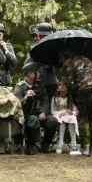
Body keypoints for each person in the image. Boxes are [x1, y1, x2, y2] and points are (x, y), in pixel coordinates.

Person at [58, 53, 92, 156]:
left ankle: (84, 147)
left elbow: (69, 84)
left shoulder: (69, 64)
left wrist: (73, 100)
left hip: (85, 90)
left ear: (65, 58)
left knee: (82, 118)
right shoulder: (86, 58)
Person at [23, 22, 58, 152]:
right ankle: (32, 143)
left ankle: (46, 144)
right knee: (31, 115)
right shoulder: (34, 48)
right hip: (35, 84)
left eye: (41, 36)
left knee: (49, 117)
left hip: (50, 84)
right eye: (40, 36)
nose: (39, 38)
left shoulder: (54, 48)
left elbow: (59, 65)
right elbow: (26, 66)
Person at [14, 61, 57, 155]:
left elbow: (45, 101)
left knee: (52, 121)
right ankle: (33, 145)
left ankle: (45, 145)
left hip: (39, 113)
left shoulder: (39, 86)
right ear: (28, 74)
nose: (38, 74)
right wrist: (26, 97)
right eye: (35, 72)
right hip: (26, 115)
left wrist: (43, 112)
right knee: (33, 120)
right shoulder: (20, 87)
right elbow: (17, 104)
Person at [51, 81, 81, 155]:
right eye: (60, 86)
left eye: (64, 86)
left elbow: (75, 111)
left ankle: (74, 144)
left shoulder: (70, 98)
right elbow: (52, 111)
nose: (62, 88)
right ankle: (60, 143)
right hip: (58, 115)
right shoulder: (55, 98)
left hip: (68, 115)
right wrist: (61, 113)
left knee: (72, 119)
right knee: (63, 120)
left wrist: (71, 112)